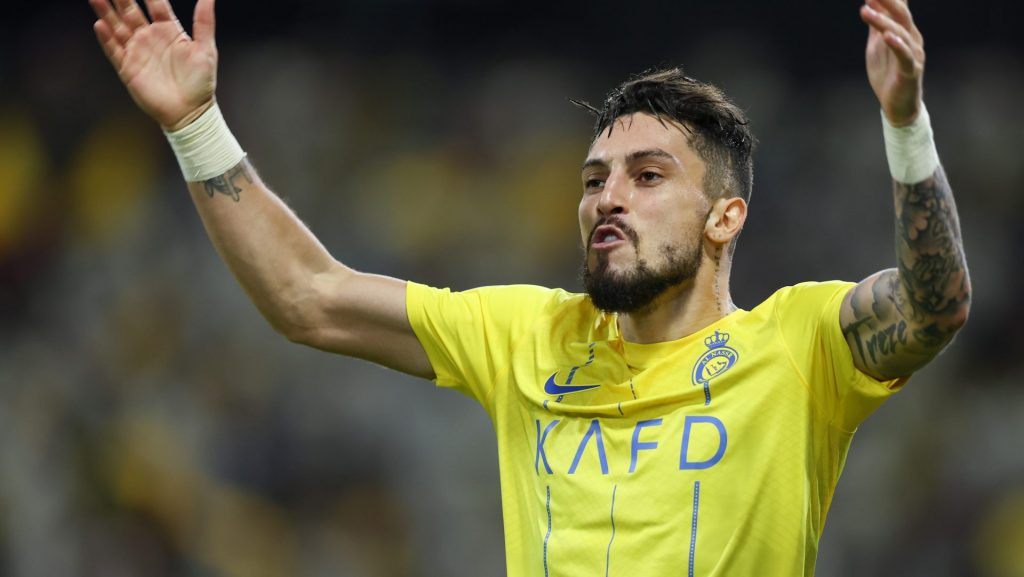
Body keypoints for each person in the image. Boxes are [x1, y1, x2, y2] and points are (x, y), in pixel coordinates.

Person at [89, 0, 971, 574]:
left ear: (725, 218)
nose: (608, 198)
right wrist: (196, 125)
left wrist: (905, 123)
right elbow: (307, 294)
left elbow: (936, 306)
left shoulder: (797, 342)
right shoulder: (529, 334)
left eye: (647, 176)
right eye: (594, 180)